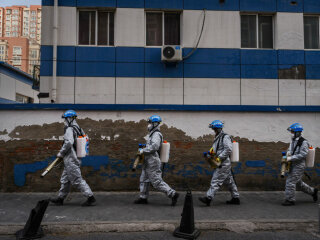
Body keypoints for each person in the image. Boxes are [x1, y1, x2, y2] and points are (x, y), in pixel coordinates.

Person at [50, 110, 96, 207]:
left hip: (71, 158)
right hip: (75, 157)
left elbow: (69, 142)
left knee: (77, 179)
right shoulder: (78, 128)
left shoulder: (69, 129)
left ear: (69, 119)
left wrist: (61, 153)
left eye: (65, 119)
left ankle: (90, 197)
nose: (64, 121)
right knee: (65, 179)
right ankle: (60, 198)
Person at [134, 115, 179, 206]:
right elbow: (151, 146)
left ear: (155, 124)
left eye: (150, 123)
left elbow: (154, 147)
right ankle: (143, 197)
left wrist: (144, 150)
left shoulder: (156, 134)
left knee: (156, 182)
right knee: (144, 179)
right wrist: (144, 147)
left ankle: (172, 194)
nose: (149, 125)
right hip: (148, 161)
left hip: (153, 161)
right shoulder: (152, 134)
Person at [199, 120, 240, 206]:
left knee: (216, 180)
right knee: (229, 181)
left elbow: (228, 149)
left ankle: (208, 198)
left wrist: (219, 158)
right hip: (223, 163)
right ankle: (235, 198)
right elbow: (216, 148)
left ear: (218, 128)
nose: (214, 130)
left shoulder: (225, 137)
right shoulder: (218, 137)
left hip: (223, 163)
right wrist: (209, 153)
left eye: (214, 129)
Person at [282, 123, 318, 206]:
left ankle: (290, 200)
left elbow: (303, 155)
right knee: (298, 183)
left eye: (292, 132)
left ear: (297, 132)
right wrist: (287, 156)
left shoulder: (304, 142)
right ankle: (313, 191)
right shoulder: (293, 141)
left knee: (290, 181)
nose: (291, 134)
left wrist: (291, 158)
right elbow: (290, 150)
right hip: (292, 164)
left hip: (299, 165)